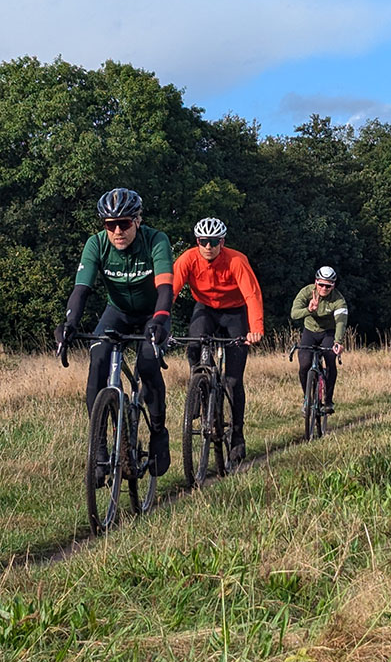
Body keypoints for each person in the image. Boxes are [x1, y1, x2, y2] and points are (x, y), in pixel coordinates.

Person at [55, 187, 174, 476]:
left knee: (148, 363)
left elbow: (166, 288)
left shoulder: (156, 240)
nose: (118, 230)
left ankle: (158, 431)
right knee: (97, 360)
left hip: (152, 313)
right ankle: (98, 448)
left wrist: (159, 319)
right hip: (117, 312)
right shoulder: (96, 244)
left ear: (138, 220)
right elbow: (81, 290)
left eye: (124, 223)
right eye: (110, 225)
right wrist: (69, 324)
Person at [172, 217, 264, 462]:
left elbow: (252, 294)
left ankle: (237, 436)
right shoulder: (188, 259)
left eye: (214, 242)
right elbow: (170, 290)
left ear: (222, 242)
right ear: (197, 242)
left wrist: (255, 328)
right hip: (205, 308)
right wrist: (158, 321)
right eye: (204, 241)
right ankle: (201, 388)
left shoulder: (236, 260)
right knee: (193, 346)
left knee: (233, 380)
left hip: (234, 311)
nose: (208, 246)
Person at [290, 266, 348, 414]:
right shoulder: (306, 292)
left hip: (328, 333)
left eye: (328, 285)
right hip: (309, 332)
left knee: (330, 359)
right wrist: (308, 310)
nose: (324, 288)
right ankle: (307, 398)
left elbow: (341, 322)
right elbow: (294, 314)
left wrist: (338, 342)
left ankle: (328, 400)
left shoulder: (338, 300)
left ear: (333, 285)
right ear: (316, 282)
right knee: (304, 364)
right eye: (321, 284)